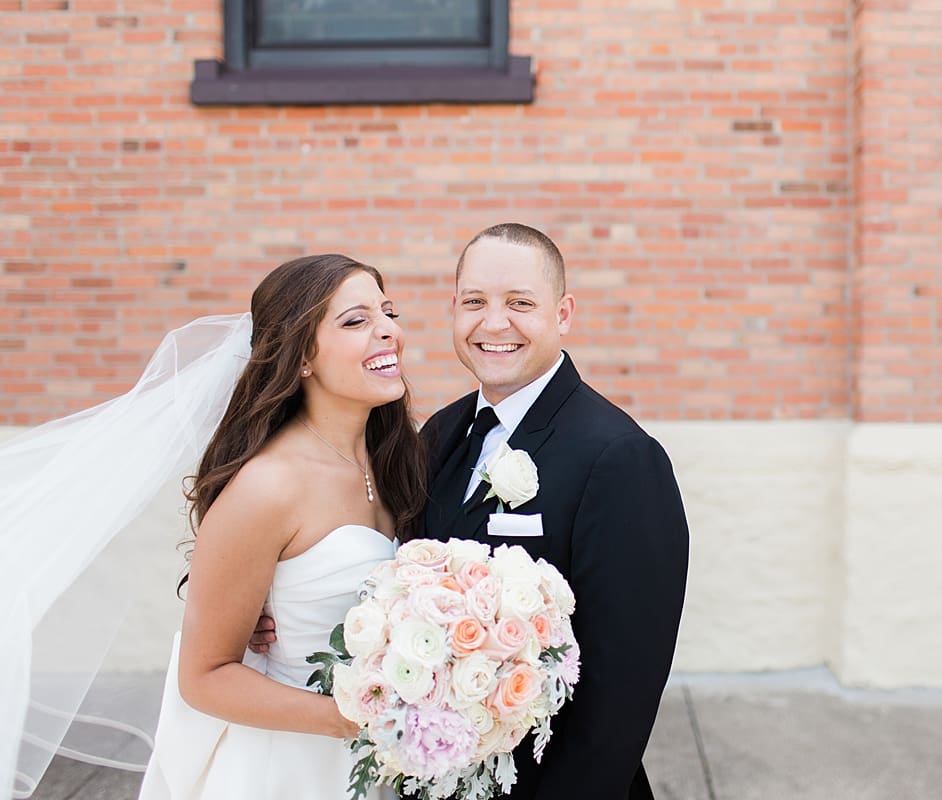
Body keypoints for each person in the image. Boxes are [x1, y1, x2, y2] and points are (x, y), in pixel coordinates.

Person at [0, 252, 426, 800]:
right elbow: (204, 676)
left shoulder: (398, 459)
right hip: (293, 766)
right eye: (356, 320)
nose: (388, 331)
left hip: (390, 765)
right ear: (301, 358)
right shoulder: (268, 486)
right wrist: (351, 719)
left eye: (388, 312)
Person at [416, 223, 689, 799]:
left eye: (520, 303)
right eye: (475, 302)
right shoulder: (440, 434)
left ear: (562, 315)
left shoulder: (620, 458)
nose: (494, 323)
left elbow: (620, 694)